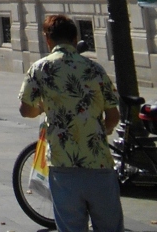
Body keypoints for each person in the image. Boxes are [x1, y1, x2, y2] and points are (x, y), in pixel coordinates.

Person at [19, 13, 123, 232]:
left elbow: (25, 110)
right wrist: (103, 130)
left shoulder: (40, 68)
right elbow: (113, 115)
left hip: (62, 164)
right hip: (99, 163)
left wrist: (42, 108)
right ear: (75, 39)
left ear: (48, 39)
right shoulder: (95, 69)